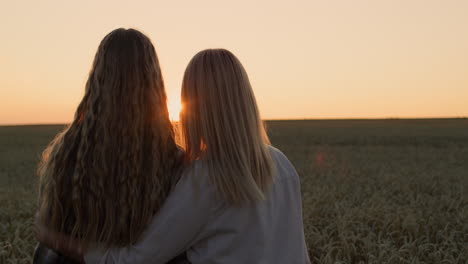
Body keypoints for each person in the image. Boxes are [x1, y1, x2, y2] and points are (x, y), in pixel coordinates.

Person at [34, 28, 186, 264]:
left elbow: (50, 231)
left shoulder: (68, 151)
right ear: (153, 78)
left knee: (47, 252)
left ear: (98, 76)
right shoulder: (174, 159)